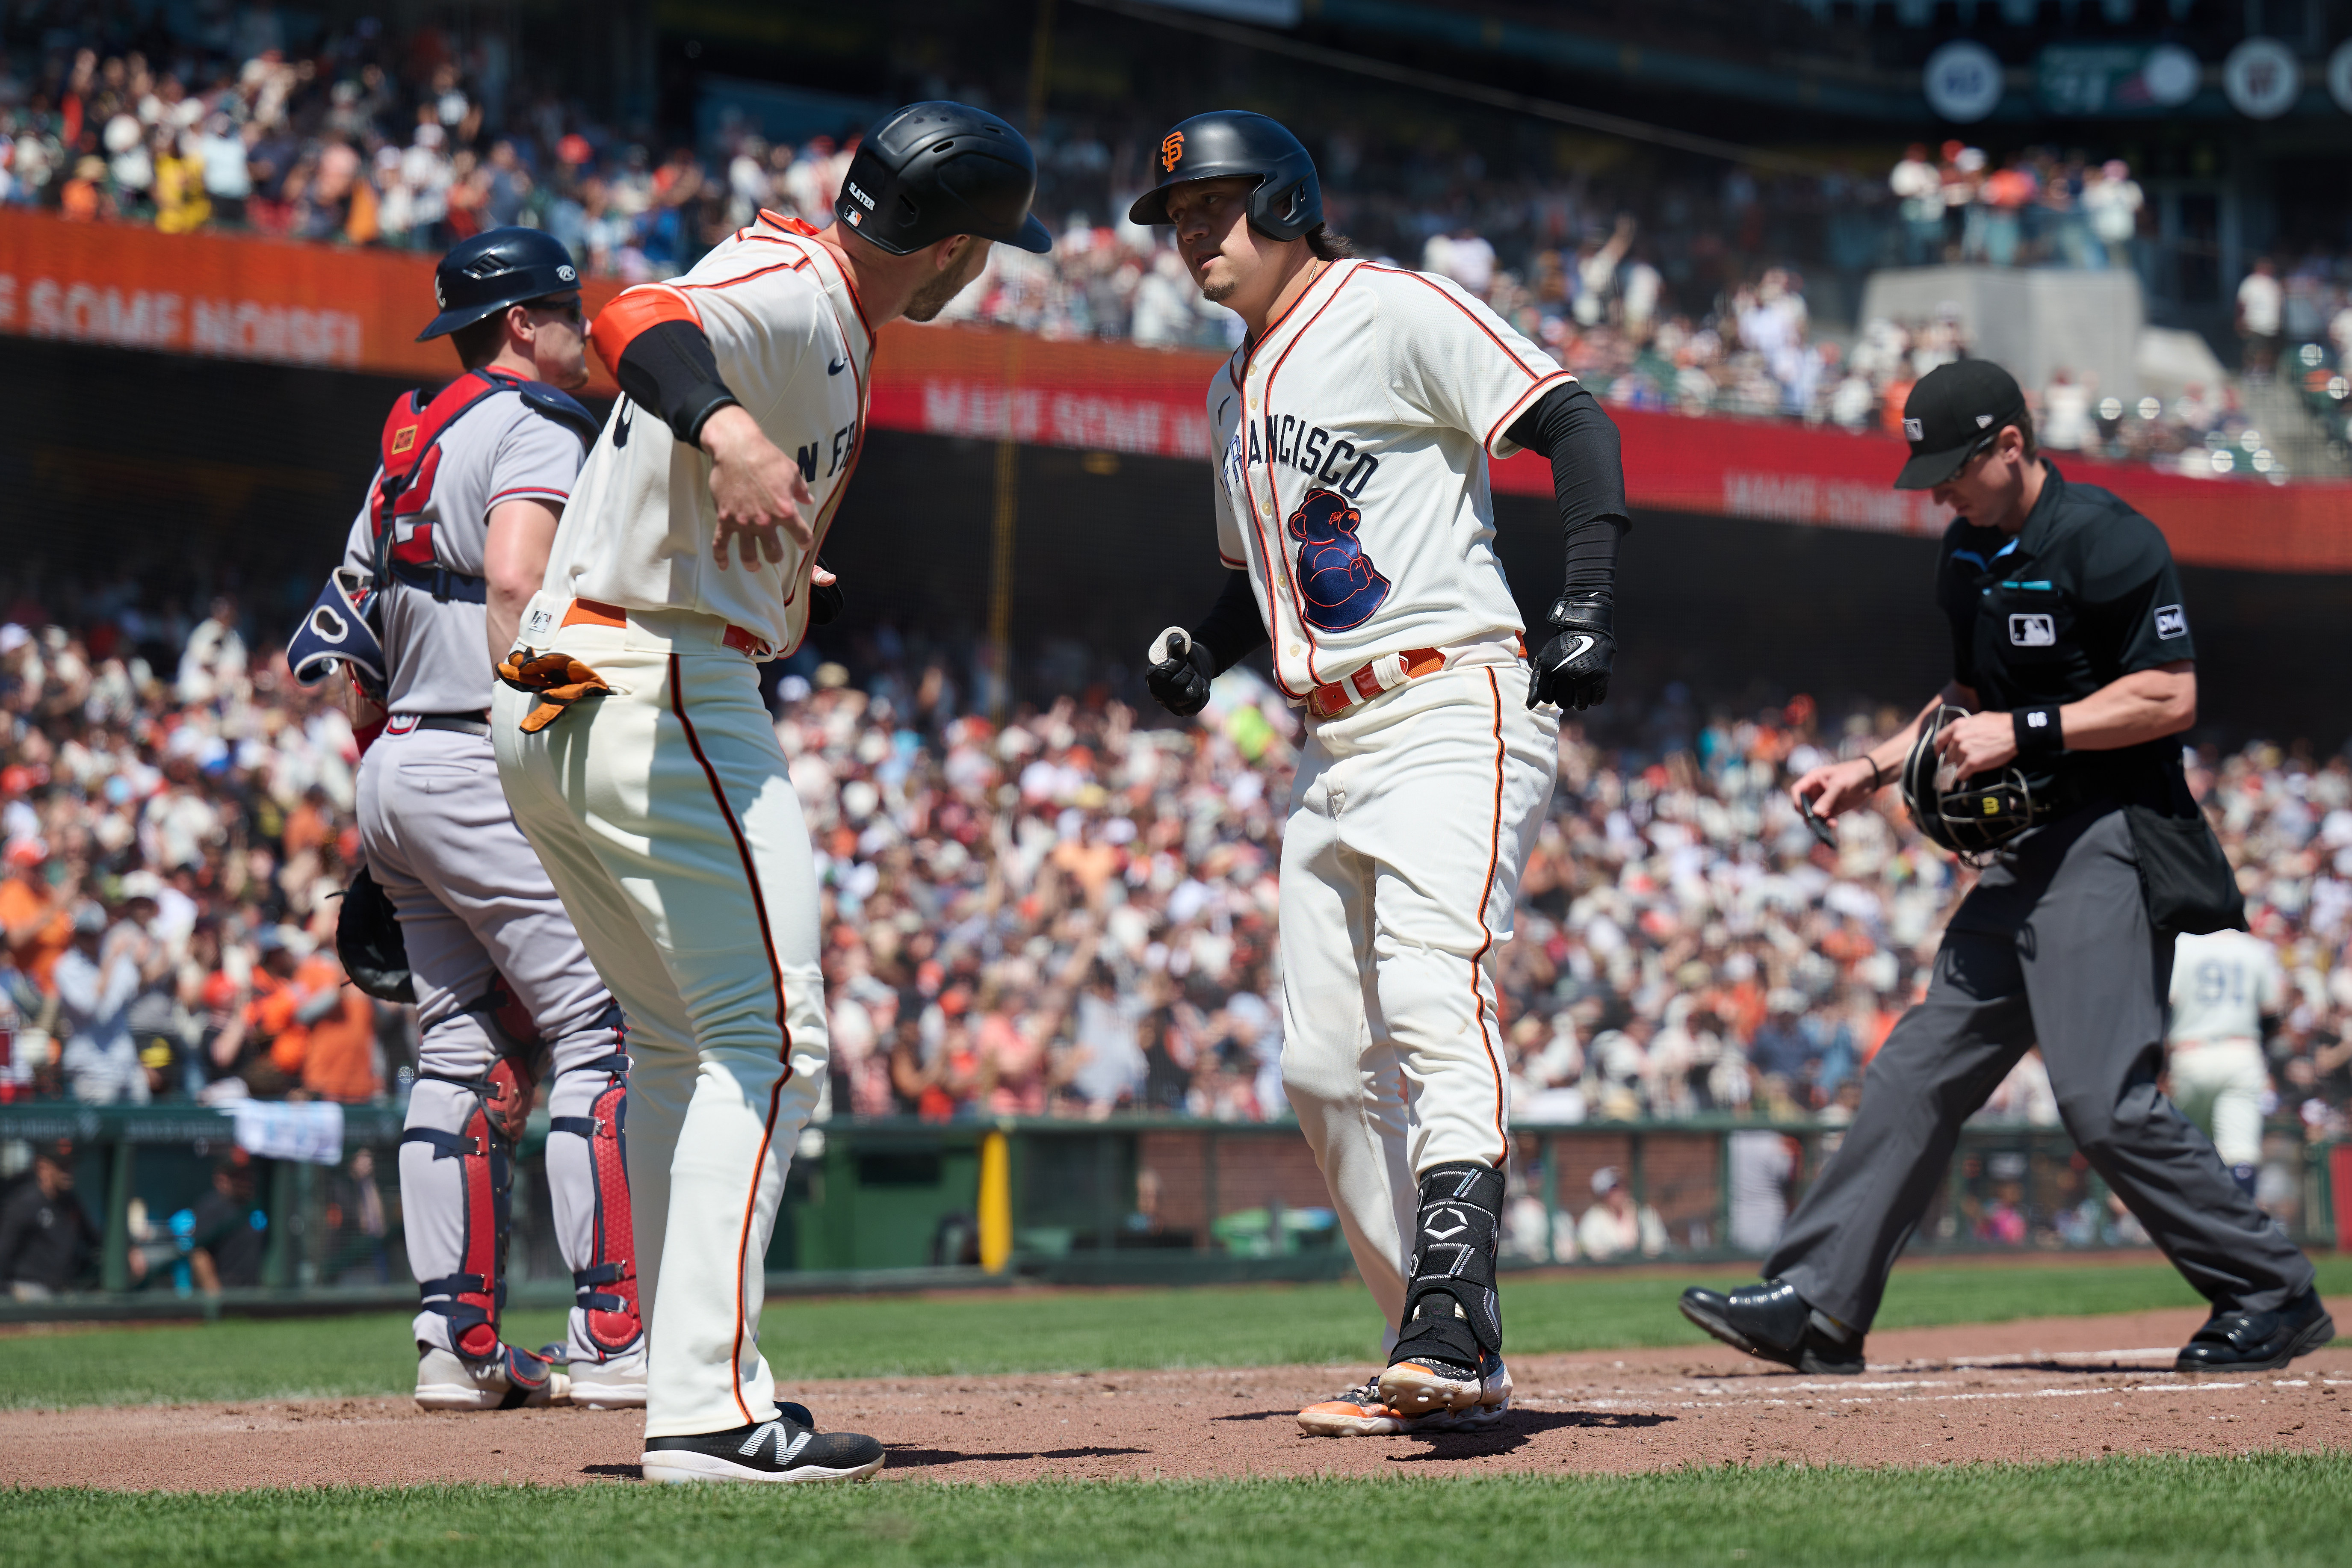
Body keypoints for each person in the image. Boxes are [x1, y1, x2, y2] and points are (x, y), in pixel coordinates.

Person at [492, 100, 1051, 1485]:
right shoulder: (802, 284)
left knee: (689, 1043)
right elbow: (635, 319)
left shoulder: (827, 305)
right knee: (778, 1036)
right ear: (958, 245)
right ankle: (710, 1408)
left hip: (567, 673)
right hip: (654, 673)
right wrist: (736, 438)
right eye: (989, 245)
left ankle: (679, 1383)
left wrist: (766, 560)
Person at [1679, 359, 2331, 1377]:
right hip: (2020, 848)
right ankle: (1814, 1303)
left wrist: (2023, 728)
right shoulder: (1965, 554)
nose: (1937, 487)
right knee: (1914, 1069)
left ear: (2010, 445)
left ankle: (2268, 1290)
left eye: (1951, 466)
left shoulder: (2106, 538)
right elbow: (1963, 693)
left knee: (2098, 1098)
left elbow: (2167, 697)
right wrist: (1870, 765)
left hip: (2110, 831)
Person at [1130, 111, 1627, 1440]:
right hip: (1329, 733)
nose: (1192, 238)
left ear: (1288, 202)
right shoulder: (1231, 385)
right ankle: (1434, 1334)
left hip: (1452, 697)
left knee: (1424, 984)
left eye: (1215, 211)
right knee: (1314, 1063)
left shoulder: (1390, 308)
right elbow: (1264, 583)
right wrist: (1204, 647)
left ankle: (1454, 1321)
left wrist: (1584, 600)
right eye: (1176, 220)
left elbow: (1573, 422)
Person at [301, 227, 647, 1411]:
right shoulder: (536, 423)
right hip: (481, 754)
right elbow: (512, 582)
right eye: (566, 310)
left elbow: (348, 648)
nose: (582, 328)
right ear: (520, 326)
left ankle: (454, 1343)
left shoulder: (407, 437)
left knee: (456, 1050)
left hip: (397, 759)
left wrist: (394, 795)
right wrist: (556, 735)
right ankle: (613, 1332)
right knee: (603, 1026)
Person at [2166, 926, 2284, 1200]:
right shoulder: (2255, 948)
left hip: (2190, 1052)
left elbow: (2165, 1006)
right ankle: (2240, 1234)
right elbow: (2271, 1017)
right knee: (2240, 1153)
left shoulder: (2183, 943)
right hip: (2242, 1053)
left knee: (2184, 1148)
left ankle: (2187, 1228)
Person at [0, 1141, 102, 1296]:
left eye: (71, 1165)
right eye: (62, 1166)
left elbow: (94, 1238)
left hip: (63, 1289)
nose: (68, 1172)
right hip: (27, 1289)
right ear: (42, 1166)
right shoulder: (24, 1203)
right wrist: (8, 1293)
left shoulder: (70, 1202)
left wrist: (129, 1247)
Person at [2237, 257, 2283, 381]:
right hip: (2254, 324)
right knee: (2253, 349)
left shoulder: (2273, 284)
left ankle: (2264, 373)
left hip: (2270, 325)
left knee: (2267, 350)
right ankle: (2252, 374)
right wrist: (2240, 321)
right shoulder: (2250, 283)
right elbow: (2242, 304)